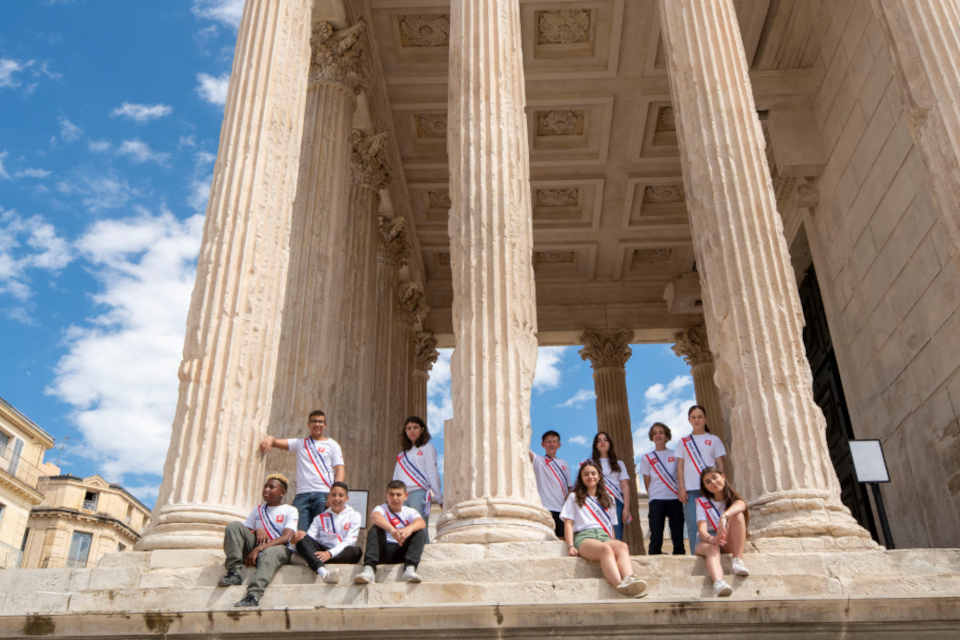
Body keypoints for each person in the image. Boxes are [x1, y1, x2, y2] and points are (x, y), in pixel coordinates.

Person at [561, 460, 647, 598]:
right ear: (581, 478)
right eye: (586, 474)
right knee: (605, 550)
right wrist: (570, 545)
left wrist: (613, 541)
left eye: (593, 473)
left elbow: (611, 526)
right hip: (584, 537)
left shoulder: (609, 499)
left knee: (621, 546)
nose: (590, 477)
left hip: (604, 536)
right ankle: (621, 586)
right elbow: (568, 523)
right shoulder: (574, 497)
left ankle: (630, 579)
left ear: (599, 476)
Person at [218, 474, 298, 607]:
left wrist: (260, 548)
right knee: (233, 526)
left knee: (270, 553)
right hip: (256, 548)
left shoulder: (290, 510)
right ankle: (235, 572)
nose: (266, 489)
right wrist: (257, 530)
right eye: (265, 486)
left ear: (282, 492)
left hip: (279, 549)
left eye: (271, 487)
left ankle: (253, 595)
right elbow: (244, 531)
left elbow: (286, 537)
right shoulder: (258, 510)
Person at [259, 409, 345, 532]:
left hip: (323, 493)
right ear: (308, 424)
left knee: (322, 533)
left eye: (320, 422)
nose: (317, 424)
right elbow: (276, 442)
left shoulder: (332, 445)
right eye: (314, 421)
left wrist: (335, 493)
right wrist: (270, 439)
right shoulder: (300, 443)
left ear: (325, 425)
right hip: (302, 495)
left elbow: (340, 469)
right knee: (298, 534)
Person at [676, 405, 726, 554]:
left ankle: (717, 552)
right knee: (693, 524)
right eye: (693, 417)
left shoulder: (714, 439)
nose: (697, 420)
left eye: (700, 417)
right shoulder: (683, 442)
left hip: (711, 488)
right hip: (691, 490)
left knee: (714, 522)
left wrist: (722, 486)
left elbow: (720, 463)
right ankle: (695, 553)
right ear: (689, 420)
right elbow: (680, 467)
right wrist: (681, 488)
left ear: (705, 419)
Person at [355, 480, 427, 585]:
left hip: (402, 551)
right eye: (391, 494)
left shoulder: (410, 511)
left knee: (419, 532)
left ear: (405, 496)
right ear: (387, 496)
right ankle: (369, 570)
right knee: (375, 529)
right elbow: (375, 517)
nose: (395, 498)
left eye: (398, 495)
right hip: (384, 551)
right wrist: (392, 530)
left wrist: (408, 530)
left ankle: (410, 569)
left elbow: (421, 522)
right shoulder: (381, 508)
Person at [694, 467, 750, 596]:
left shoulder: (735, 500)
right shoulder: (701, 502)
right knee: (712, 549)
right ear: (705, 487)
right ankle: (719, 583)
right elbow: (702, 530)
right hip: (708, 540)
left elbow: (742, 506)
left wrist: (724, 517)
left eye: (714, 477)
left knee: (738, 515)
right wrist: (712, 539)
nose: (712, 483)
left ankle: (737, 560)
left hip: (727, 538)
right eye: (707, 482)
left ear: (723, 477)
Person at [293, 481, 362, 584]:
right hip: (321, 551)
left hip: (340, 552)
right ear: (328, 497)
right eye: (333, 495)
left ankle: (312, 559)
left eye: (341, 495)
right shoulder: (319, 518)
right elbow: (310, 538)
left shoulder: (354, 515)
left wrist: (330, 553)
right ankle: (323, 572)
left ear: (347, 498)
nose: (337, 499)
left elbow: (349, 541)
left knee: (356, 551)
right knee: (302, 541)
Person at [391, 416, 442, 539]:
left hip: (418, 493)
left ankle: (424, 556)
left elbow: (432, 473)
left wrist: (439, 497)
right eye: (408, 428)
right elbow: (395, 479)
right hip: (402, 496)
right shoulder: (402, 455)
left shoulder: (427, 448)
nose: (412, 431)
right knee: (403, 529)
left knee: (419, 528)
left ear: (422, 429)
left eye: (415, 427)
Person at [638, 422, 684, 555]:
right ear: (652, 437)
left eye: (661, 432)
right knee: (656, 534)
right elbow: (647, 480)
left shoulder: (676, 454)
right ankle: (654, 556)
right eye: (655, 433)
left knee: (677, 533)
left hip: (674, 498)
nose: (658, 435)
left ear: (667, 436)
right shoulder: (647, 458)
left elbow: (680, 475)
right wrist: (653, 494)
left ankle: (679, 556)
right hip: (656, 499)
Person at [529, 429, 573, 538]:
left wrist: (567, 506)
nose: (551, 444)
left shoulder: (564, 464)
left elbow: (569, 488)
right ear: (543, 444)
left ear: (559, 444)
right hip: (545, 508)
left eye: (554, 441)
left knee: (562, 539)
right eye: (548, 441)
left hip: (561, 509)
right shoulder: (538, 460)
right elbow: (524, 449)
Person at [590, 432, 633, 540]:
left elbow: (625, 486)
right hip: (596, 502)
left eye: (605, 440)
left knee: (616, 535)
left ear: (610, 444)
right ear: (595, 445)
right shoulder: (590, 463)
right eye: (599, 440)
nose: (602, 442)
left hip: (616, 503)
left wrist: (626, 508)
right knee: (598, 535)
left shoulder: (619, 464)